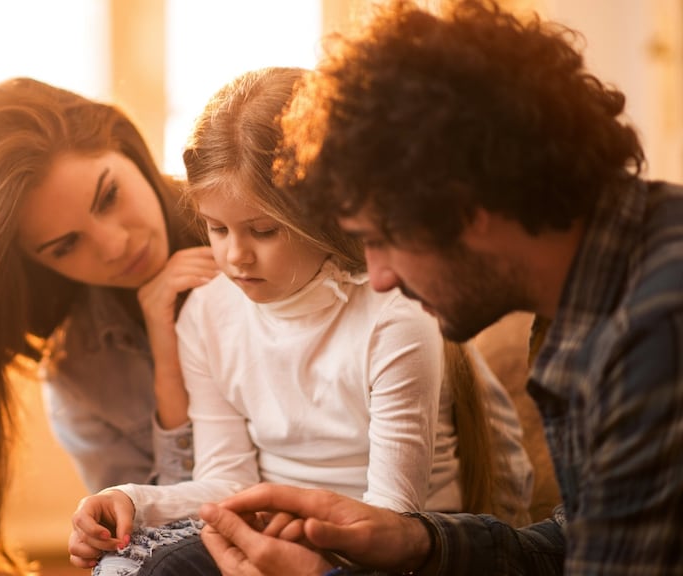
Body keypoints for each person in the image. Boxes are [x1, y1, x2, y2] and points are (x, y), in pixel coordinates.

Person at [197, 1, 683, 575]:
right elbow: (576, 543)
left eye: (381, 238)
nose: (378, 276)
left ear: (464, 208)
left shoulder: (650, 332)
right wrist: (418, 543)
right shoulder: (584, 301)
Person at [69, 67, 533, 576]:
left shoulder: (395, 315)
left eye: (264, 230)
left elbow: (394, 522)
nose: (236, 256)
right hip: (270, 532)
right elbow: (228, 483)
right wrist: (132, 499)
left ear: (325, 214)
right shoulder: (207, 311)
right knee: (123, 568)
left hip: (381, 548)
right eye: (217, 228)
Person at [0, 77, 220, 573]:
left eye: (108, 197)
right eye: (65, 246)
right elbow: (159, 535)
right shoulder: (79, 376)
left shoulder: (263, 225)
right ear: (37, 265)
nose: (113, 245)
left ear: (125, 145)